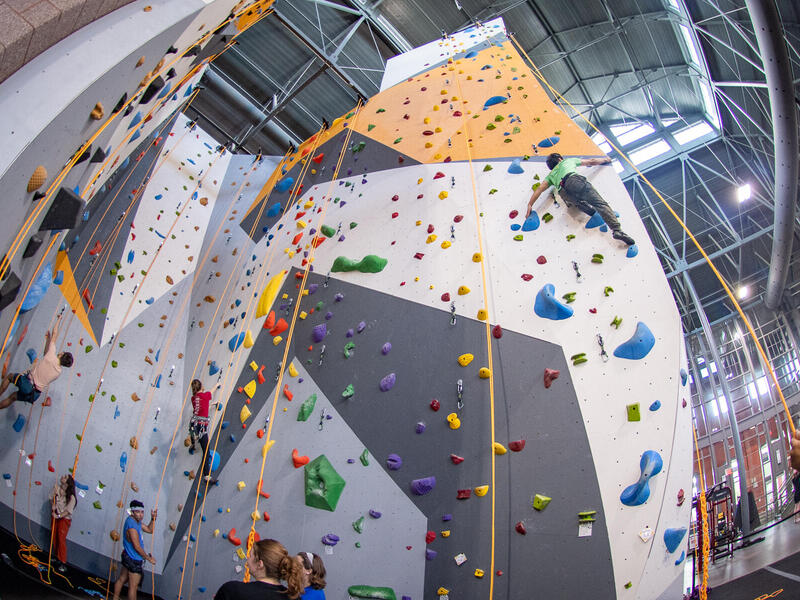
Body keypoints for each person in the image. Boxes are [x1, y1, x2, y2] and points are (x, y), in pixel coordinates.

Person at [525, 153, 636, 246]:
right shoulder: (566, 162)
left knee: (579, 203)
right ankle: (617, 230)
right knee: (600, 203)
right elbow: (591, 161)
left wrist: (530, 204)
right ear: (560, 159)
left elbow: (540, 188)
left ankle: (591, 211)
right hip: (574, 180)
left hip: (564, 192)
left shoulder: (550, 175)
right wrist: (605, 159)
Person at [0, 313, 73, 409]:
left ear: (62, 355)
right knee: (13, 397)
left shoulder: (52, 354)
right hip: (34, 394)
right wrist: (49, 339)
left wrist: (59, 319)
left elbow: (55, 334)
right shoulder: (58, 373)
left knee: (9, 377)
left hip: (28, 384)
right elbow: (46, 357)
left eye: (63, 352)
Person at [214, 539, 304, 600]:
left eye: (250, 556)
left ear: (260, 564)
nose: (247, 560)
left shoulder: (232, 590)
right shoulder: (293, 598)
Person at [112, 500, 157, 600]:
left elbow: (150, 530)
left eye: (142, 512)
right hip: (133, 559)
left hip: (128, 555)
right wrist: (149, 559)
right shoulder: (132, 525)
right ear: (132, 512)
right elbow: (136, 547)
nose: (140, 515)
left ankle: (114, 598)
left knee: (122, 579)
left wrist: (153, 518)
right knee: (133, 587)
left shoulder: (136, 521)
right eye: (137, 512)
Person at [188, 379, 221, 484]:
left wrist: (211, 405)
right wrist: (217, 384)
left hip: (193, 424)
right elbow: (211, 392)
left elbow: (201, 407)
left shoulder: (193, 399)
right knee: (206, 451)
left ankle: (193, 445)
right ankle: (207, 476)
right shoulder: (205, 395)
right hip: (201, 427)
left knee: (193, 437)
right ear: (201, 387)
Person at [50, 473, 77, 572]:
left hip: (64, 519)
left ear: (68, 483)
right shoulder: (57, 488)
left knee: (61, 539)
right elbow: (52, 499)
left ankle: (63, 562)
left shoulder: (71, 497)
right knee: (54, 536)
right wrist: (53, 505)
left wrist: (58, 516)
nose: (62, 477)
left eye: (65, 477)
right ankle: (57, 557)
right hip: (55, 515)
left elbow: (68, 511)